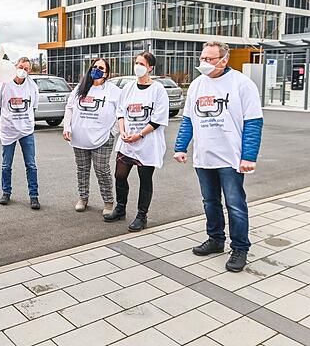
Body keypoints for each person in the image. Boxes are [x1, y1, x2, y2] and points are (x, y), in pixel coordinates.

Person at [174, 41, 263, 273]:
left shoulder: (242, 84)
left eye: (209, 59)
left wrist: (249, 156)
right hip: (204, 157)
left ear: (224, 60)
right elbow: (188, 120)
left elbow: (253, 122)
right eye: (202, 58)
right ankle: (215, 239)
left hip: (231, 157)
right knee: (209, 201)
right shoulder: (196, 85)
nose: (203, 63)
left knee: (235, 204)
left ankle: (240, 248)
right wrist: (181, 147)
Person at [104, 52, 169, 232]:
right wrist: (123, 130)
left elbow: (157, 119)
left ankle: (142, 215)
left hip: (146, 142)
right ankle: (120, 208)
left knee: (145, 178)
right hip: (127, 141)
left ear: (150, 68)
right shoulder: (128, 88)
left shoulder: (158, 90)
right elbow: (121, 112)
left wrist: (139, 135)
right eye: (136, 62)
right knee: (120, 175)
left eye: (141, 63)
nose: (137, 66)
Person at [63, 58, 122, 215]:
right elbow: (69, 108)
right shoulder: (80, 88)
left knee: (102, 170)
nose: (97, 69)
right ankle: (83, 198)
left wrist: (112, 132)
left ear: (107, 73)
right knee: (82, 169)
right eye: (94, 66)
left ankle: (109, 202)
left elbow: (121, 113)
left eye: (101, 67)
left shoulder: (114, 91)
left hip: (103, 138)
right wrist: (67, 127)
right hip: (79, 137)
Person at [0, 57, 41, 209]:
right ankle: (6, 192)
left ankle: (34, 196)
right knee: (6, 165)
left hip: (26, 130)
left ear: (30, 71)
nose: (22, 70)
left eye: (26, 69)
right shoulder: (4, 83)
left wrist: (25, 122)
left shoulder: (32, 86)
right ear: (15, 66)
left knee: (31, 165)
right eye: (20, 66)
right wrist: (6, 123)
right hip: (8, 130)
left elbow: (33, 108)